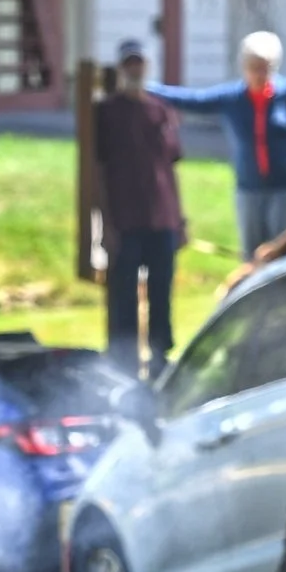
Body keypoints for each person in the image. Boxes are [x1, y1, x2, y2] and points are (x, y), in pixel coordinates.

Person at [155, 31, 286, 263]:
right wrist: (147, 89)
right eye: (254, 67)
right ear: (244, 66)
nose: (259, 74)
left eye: (265, 68)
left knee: (284, 256)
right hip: (249, 189)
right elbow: (192, 100)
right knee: (252, 257)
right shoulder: (232, 98)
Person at [92, 43, 186, 376]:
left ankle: (161, 356)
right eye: (129, 64)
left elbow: (171, 167)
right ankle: (123, 360)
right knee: (124, 294)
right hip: (125, 216)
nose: (135, 70)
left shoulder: (159, 111)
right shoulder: (107, 113)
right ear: (121, 69)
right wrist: (103, 227)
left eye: (139, 63)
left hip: (162, 216)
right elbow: (98, 170)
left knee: (161, 289)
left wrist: (181, 219)